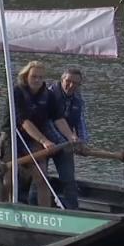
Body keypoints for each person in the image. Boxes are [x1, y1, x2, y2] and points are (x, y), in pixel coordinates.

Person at [0, 61, 57, 206]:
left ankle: (46, 211)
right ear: (26, 77)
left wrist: (70, 137)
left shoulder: (48, 95)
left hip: (33, 141)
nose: (37, 80)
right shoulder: (16, 93)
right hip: (12, 139)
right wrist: (44, 141)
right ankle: (3, 207)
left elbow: (57, 119)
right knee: (9, 179)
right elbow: (24, 121)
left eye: (40, 77)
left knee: (42, 177)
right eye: (34, 77)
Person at [39, 67, 89, 209]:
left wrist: (82, 142)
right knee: (39, 178)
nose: (71, 85)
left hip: (65, 143)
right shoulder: (48, 95)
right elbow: (47, 122)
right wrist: (65, 142)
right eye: (68, 81)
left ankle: (73, 210)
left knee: (69, 179)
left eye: (76, 83)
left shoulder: (78, 100)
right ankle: (34, 206)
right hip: (42, 142)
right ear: (61, 80)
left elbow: (81, 123)